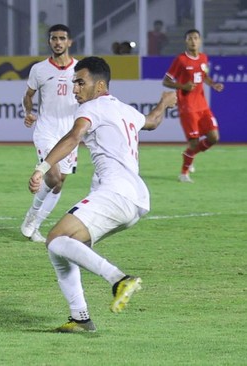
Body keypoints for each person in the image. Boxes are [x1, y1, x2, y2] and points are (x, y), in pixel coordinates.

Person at [29, 56, 177, 332]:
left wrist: (42, 167)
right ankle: (80, 317)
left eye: (80, 82)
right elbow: (153, 122)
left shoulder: (93, 108)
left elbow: (73, 137)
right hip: (135, 200)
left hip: (115, 192)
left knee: (55, 239)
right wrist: (165, 103)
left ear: (99, 86)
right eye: (74, 82)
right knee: (63, 248)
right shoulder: (125, 110)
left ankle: (119, 279)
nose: (75, 88)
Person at [21, 24, 79, 243]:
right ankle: (31, 216)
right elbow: (28, 95)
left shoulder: (80, 69)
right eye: (54, 38)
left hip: (70, 133)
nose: (57, 42)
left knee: (59, 182)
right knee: (52, 176)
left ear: (69, 42)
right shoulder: (39, 69)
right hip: (46, 129)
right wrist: (28, 112)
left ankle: (35, 224)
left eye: (62, 38)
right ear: (49, 42)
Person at [163, 29, 223, 183]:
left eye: (196, 38)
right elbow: (166, 81)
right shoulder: (181, 60)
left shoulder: (203, 58)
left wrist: (213, 84)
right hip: (187, 107)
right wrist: (182, 86)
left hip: (203, 106)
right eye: (190, 38)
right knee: (194, 142)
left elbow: (204, 76)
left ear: (200, 41)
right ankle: (183, 173)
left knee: (214, 137)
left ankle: (190, 155)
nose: (193, 41)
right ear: (186, 41)